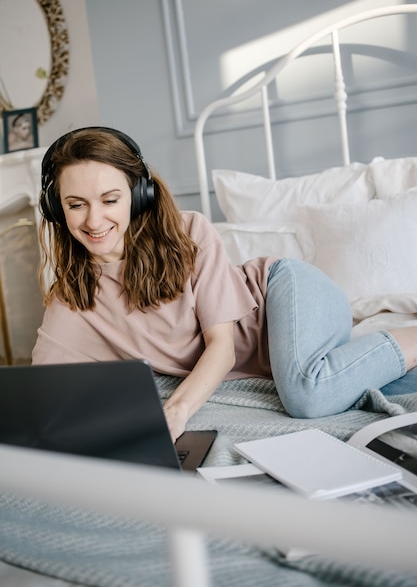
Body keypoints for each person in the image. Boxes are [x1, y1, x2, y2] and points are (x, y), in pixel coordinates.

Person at [32, 126, 417, 442]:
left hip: (287, 291)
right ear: (57, 209)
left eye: (110, 200)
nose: (94, 220)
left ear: (138, 195)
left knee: (306, 395)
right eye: (76, 204)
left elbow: (223, 348)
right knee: (384, 386)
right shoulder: (74, 296)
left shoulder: (189, 232)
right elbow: (41, 394)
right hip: (277, 361)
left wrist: (177, 410)